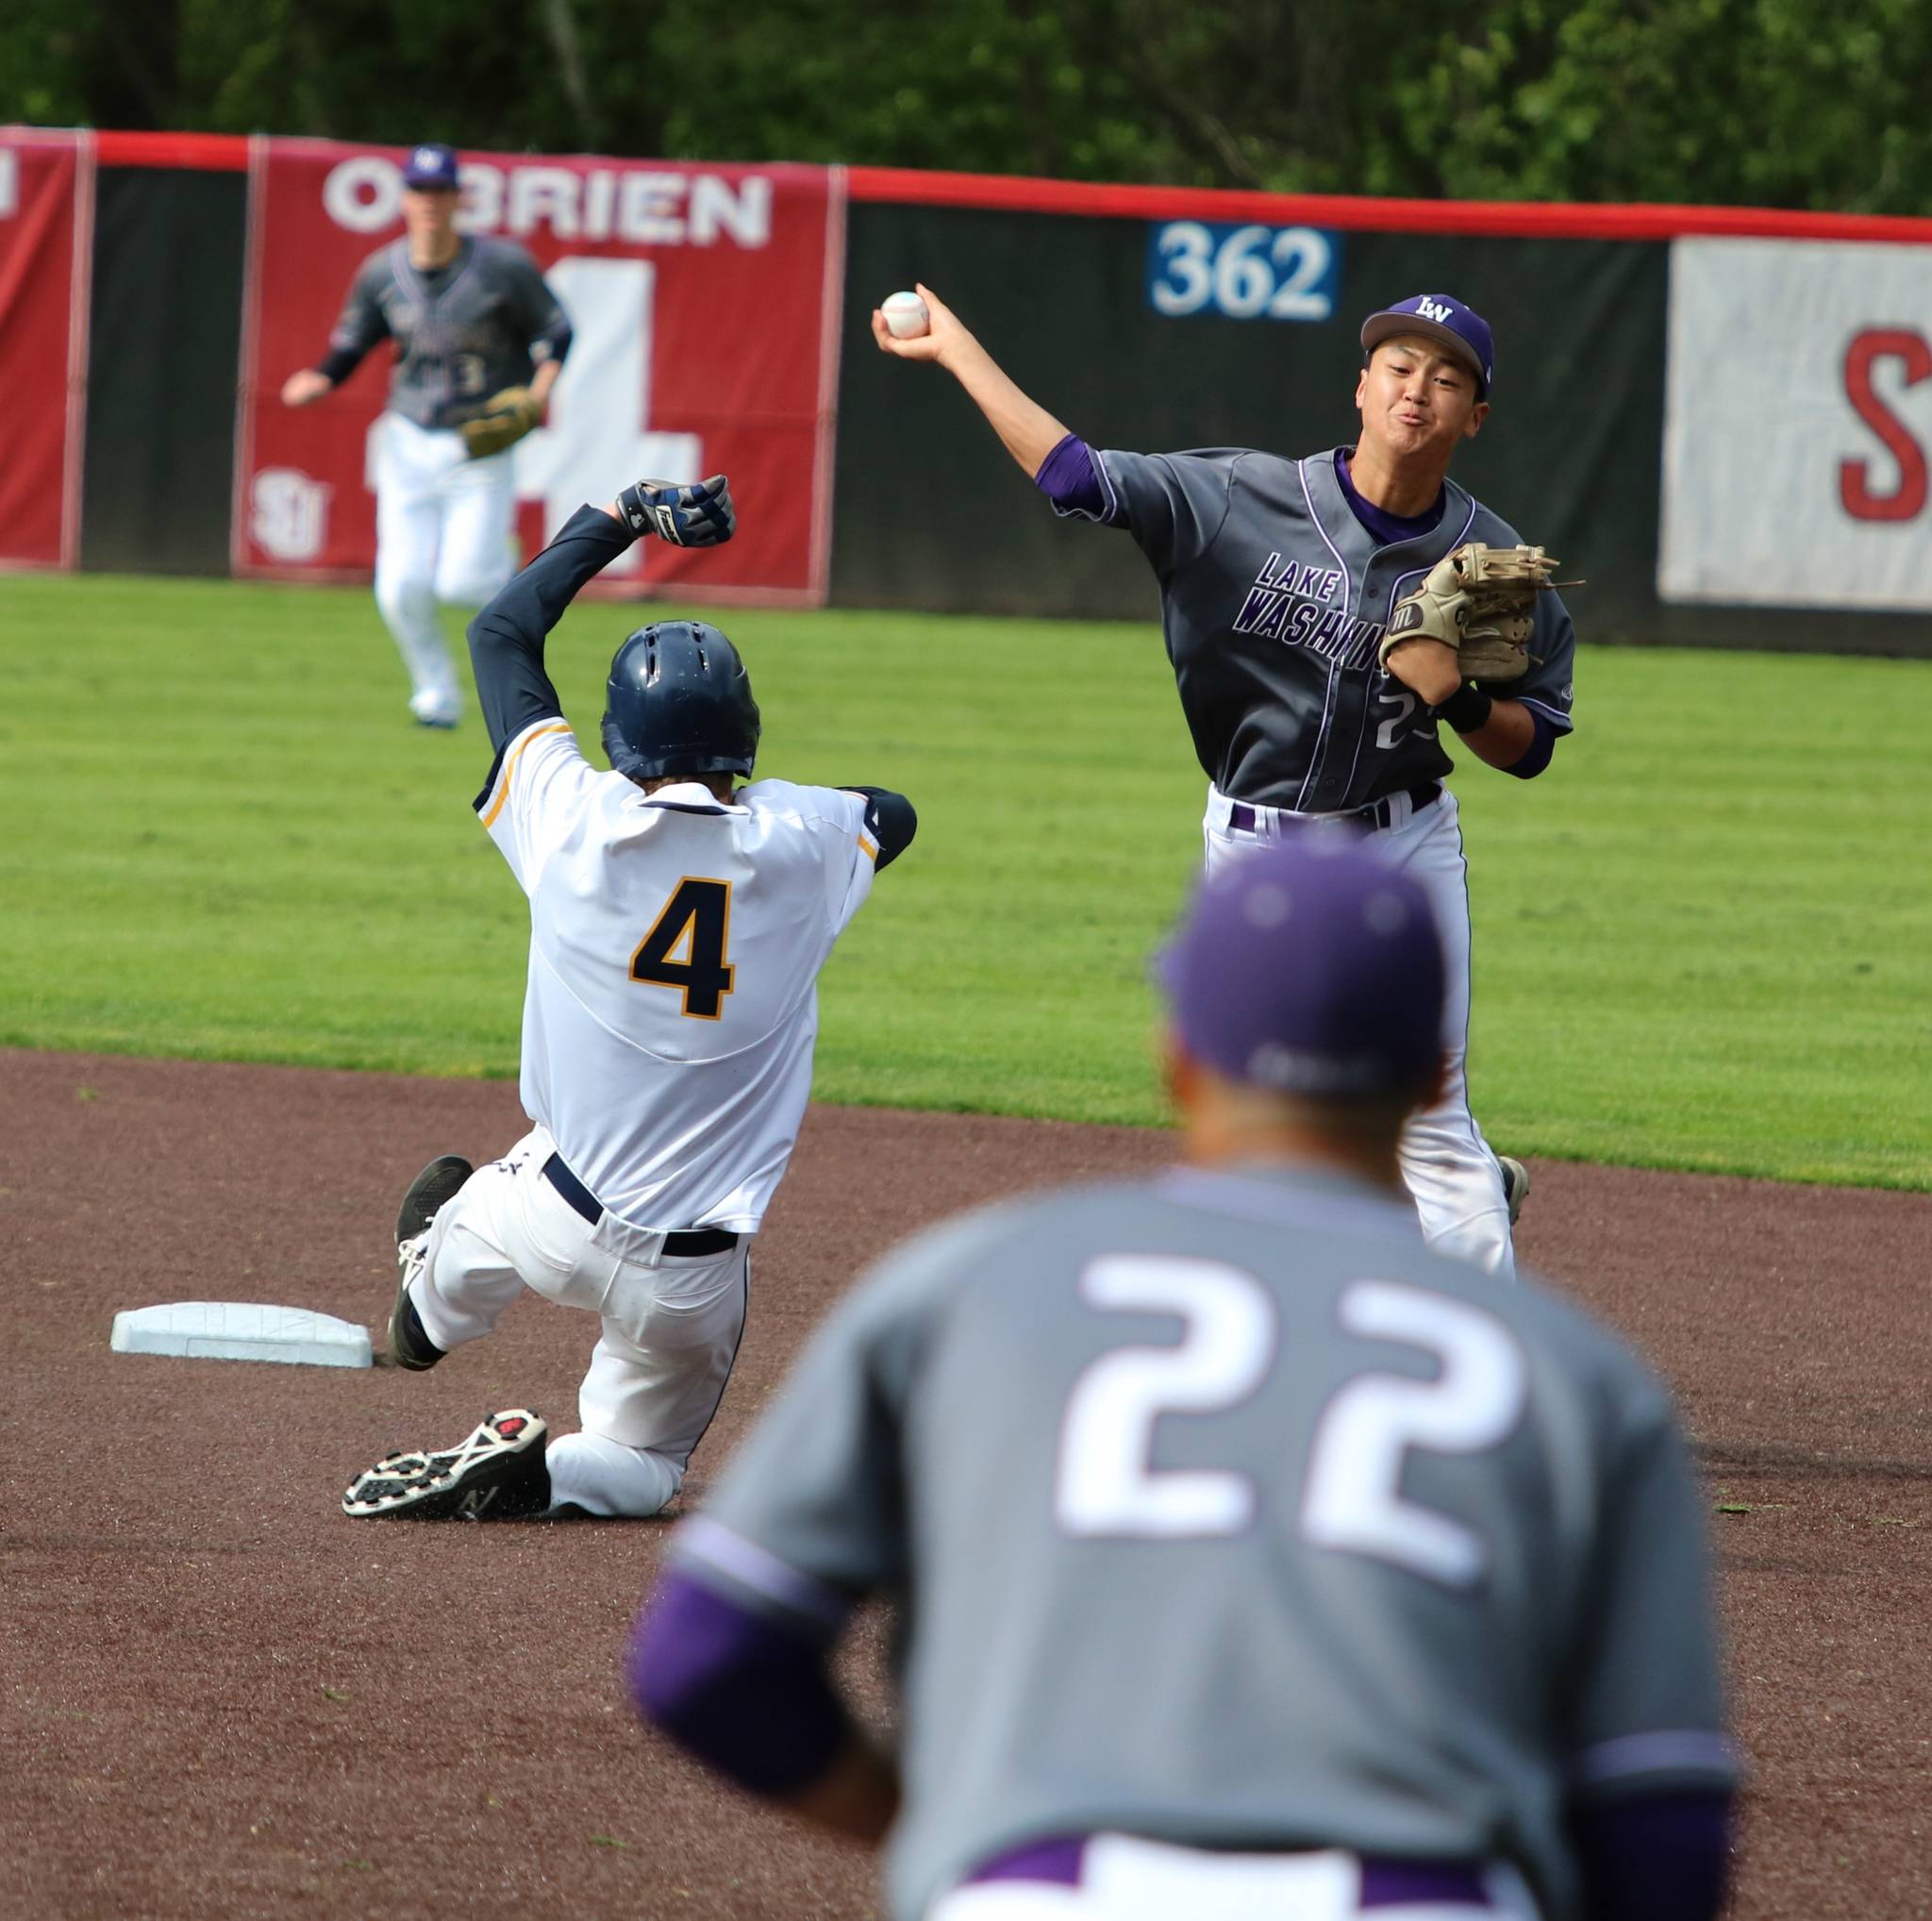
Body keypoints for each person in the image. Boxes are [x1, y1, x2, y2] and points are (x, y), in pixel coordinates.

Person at [629, 838, 1738, 1921]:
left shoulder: (969, 1283)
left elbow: (706, 1656)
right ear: (1431, 1073)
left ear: (1177, 1054)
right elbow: (1663, 1830)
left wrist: (937, 1823)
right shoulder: (1576, 1372)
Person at [873, 286, 1574, 1280]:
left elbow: (1530, 744)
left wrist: (1456, 698)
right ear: (1362, 386)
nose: (1417, 390)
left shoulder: (1491, 566)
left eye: (1446, 376)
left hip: (1400, 839)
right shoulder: (1239, 497)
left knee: (1429, 1110)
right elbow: (1075, 478)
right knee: (1265, 1102)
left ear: (1474, 416)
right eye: (1399, 366)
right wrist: (957, 350)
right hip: (1256, 840)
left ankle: (1491, 1365)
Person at [339, 471, 917, 1521]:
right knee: (645, 1466)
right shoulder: (806, 841)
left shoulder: (570, 819)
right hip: (691, 1278)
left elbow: (502, 635)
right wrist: (773, 799)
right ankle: (549, 1467)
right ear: (745, 730)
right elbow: (894, 811)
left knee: (498, 1187)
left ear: (616, 736)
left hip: (547, 1217)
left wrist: (619, 516)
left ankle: (428, 1304)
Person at [282, 142, 574, 729]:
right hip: (408, 439)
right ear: (406, 199)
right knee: (400, 586)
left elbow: (558, 332)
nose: (431, 201)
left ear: (458, 197)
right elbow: (354, 341)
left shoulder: (501, 266)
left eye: (441, 190)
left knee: (465, 586)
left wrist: (540, 391)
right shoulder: (381, 270)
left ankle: (498, 562)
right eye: (420, 190)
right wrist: (321, 377)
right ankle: (435, 695)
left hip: (478, 444)